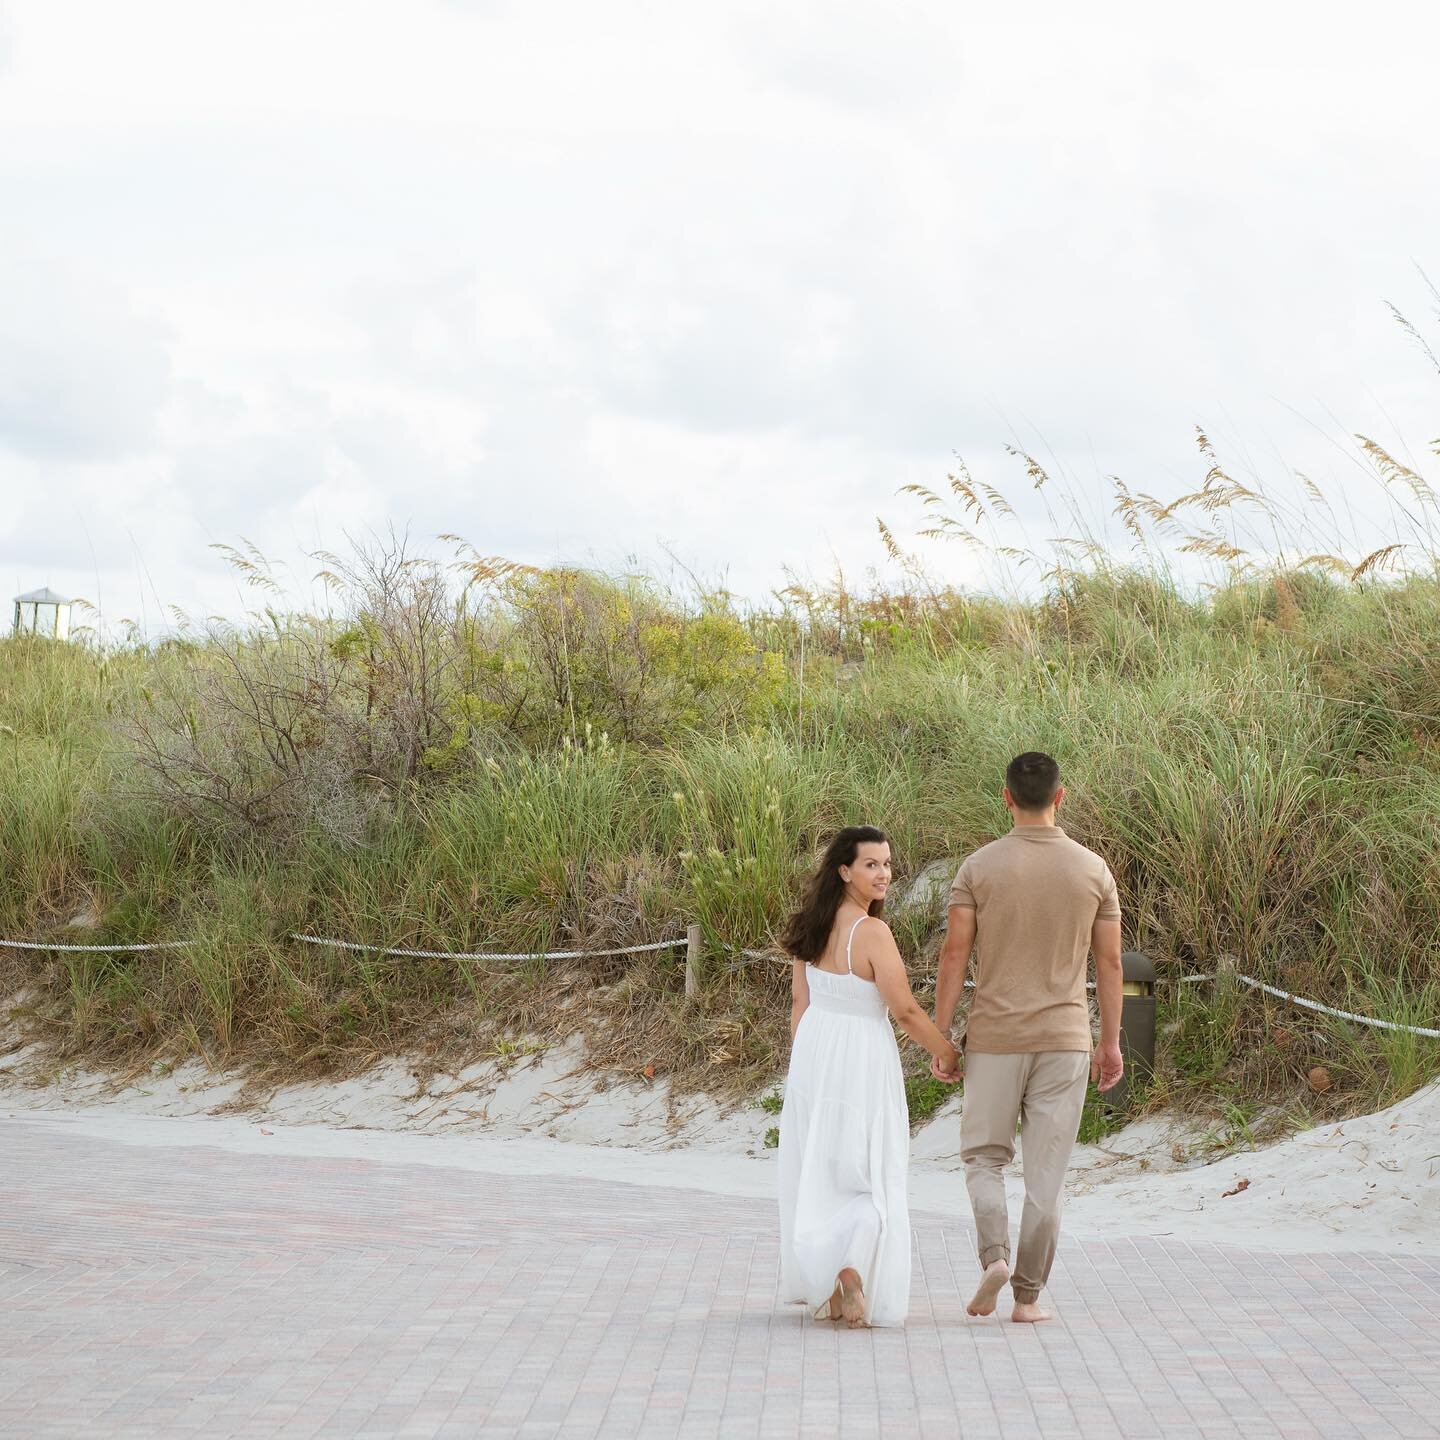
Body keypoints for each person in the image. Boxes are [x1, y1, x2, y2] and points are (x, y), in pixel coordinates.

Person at [932, 753, 1124, 1324]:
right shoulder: (1093, 870)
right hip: (1066, 1039)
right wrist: (1109, 1042)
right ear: (1060, 797)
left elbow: (954, 954)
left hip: (994, 1038)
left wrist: (942, 1035)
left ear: (1007, 798)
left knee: (983, 1159)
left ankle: (994, 1255)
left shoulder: (978, 867)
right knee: (1047, 1177)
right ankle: (1028, 1297)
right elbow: (1110, 964)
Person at [777, 825, 961, 1328]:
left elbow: (800, 1004)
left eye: (886, 863)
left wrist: (804, 1069)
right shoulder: (872, 933)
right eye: (871, 865)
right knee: (869, 1170)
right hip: (860, 1057)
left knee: (820, 1169)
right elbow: (902, 1009)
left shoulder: (810, 928)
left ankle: (830, 1282)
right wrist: (946, 1050)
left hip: (815, 1054)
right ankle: (854, 1266)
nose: (884, 874)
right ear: (845, 871)